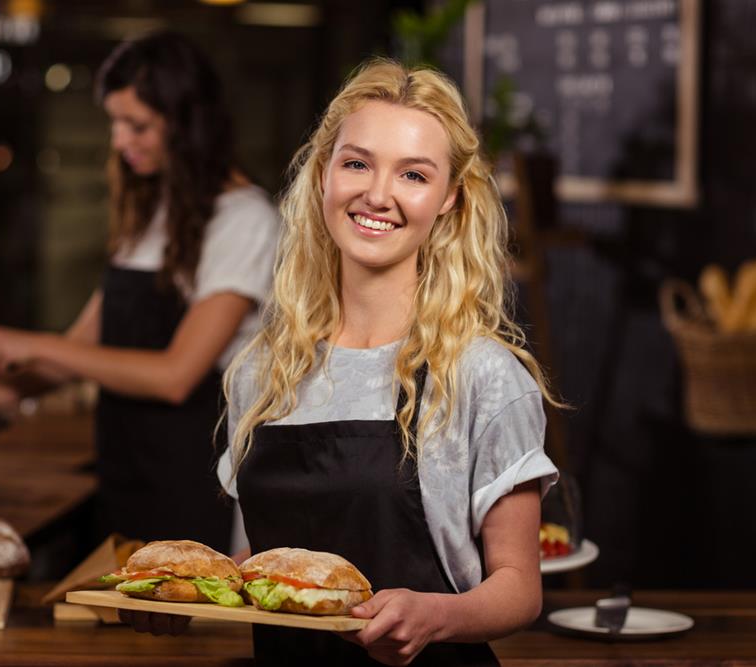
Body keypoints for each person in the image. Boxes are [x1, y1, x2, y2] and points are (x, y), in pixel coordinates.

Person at [125, 59, 560, 665]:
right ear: (324, 175)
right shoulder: (264, 371)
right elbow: (263, 570)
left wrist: (437, 615)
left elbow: (519, 587)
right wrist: (186, 598)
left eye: (413, 174)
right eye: (357, 163)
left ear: (448, 200)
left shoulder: (482, 374)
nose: (377, 194)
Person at [0, 32, 281, 550]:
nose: (119, 140)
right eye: (115, 122)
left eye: (137, 124)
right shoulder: (152, 214)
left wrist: (31, 343)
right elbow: (82, 346)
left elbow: (176, 376)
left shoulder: (244, 221)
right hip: (127, 466)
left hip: (196, 477)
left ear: (188, 123)